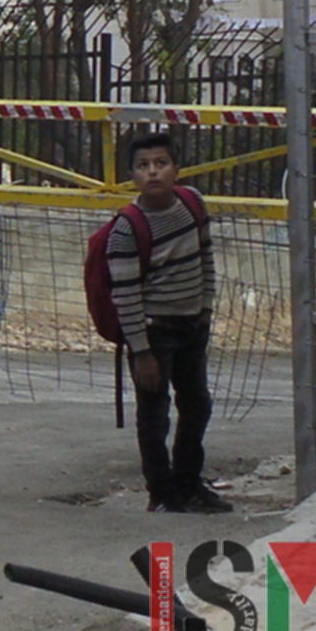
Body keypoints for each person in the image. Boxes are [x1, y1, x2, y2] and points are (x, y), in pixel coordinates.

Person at [109, 132, 229, 514]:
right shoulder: (128, 227)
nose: (153, 172)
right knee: (154, 414)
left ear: (176, 169)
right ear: (132, 176)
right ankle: (162, 492)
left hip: (193, 324)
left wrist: (206, 307)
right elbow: (125, 292)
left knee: (197, 405)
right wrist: (141, 350)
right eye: (143, 166)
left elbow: (206, 257)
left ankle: (189, 482)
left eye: (160, 163)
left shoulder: (192, 204)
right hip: (154, 332)